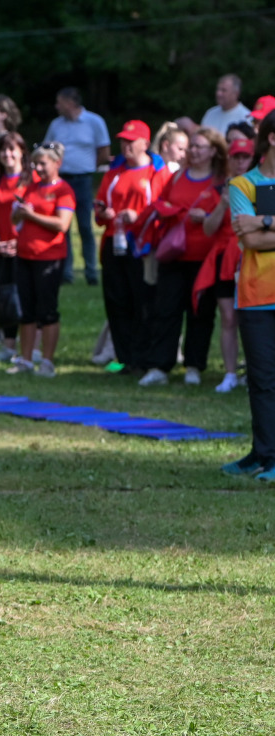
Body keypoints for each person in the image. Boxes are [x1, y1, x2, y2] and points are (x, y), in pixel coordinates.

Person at [221, 112, 275, 480]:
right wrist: (258, 228)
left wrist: (267, 220)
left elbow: (260, 232)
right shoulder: (243, 184)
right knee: (261, 379)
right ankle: (263, 453)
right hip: (257, 294)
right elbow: (249, 240)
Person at [157, 129, 230, 387]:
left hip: (206, 257)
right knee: (167, 309)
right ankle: (161, 366)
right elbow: (161, 201)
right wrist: (169, 211)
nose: (194, 151)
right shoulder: (177, 176)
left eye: (200, 147)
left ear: (213, 151)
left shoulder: (222, 181)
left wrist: (206, 217)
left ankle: (194, 365)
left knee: (201, 313)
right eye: (192, 147)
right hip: (175, 254)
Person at [93, 121, 162, 377]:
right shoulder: (114, 173)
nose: (126, 146)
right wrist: (104, 213)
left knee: (142, 299)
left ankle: (143, 357)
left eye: (131, 141)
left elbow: (161, 206)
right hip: (114, 242)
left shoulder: (156, 172)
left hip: (142, 244)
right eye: (123, 141)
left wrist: (138, 216)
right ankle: (124, 357)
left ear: (145, 143)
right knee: (116, 299)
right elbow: (99, 211)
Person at [8, 142, 75, 377]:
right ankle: (25, 359)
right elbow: (15, 217)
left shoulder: (64, 190)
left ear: (57, 163)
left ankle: (47, 361)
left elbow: (62, 224)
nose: (38, 168)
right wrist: (19, 209)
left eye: (43, 163)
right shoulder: (31, 187)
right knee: (26, 310)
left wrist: (32, 215)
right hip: (24, 255)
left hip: (49, 257)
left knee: (47, 310)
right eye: (36, 164)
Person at [196, 137, 253, 393]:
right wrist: (222, 204)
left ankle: (253, 369)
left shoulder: (259, 187)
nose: (240, 162)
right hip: (224, 261)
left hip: (250, 257)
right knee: (228, 317)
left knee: (253, 318)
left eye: (245, 157)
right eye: (236, 157)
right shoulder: (219, 190)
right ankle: (230, 373)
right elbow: (208, 229)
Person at [44, 87, 111, 286]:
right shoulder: (56, 125)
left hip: (83, 180)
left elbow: (104, 150)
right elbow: (47, 149)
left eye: (59, 102)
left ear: (70, 103)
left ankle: (91, 271)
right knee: (63, 226)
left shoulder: (94, 121)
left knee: (84, 226)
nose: (56, 106)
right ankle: (66, 272)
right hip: (61, 180)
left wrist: (91, 166)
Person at [0, 133, 28, 363]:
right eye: (3, 150)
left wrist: (17, 242)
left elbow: (32, 215)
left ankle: (31, 347)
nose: (7, 154)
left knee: (26, 297)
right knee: (5, 297)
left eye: (12, 149)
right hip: (1, 248)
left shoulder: (29, 180)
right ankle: (8, 346)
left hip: (24, 248)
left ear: (22, 152)